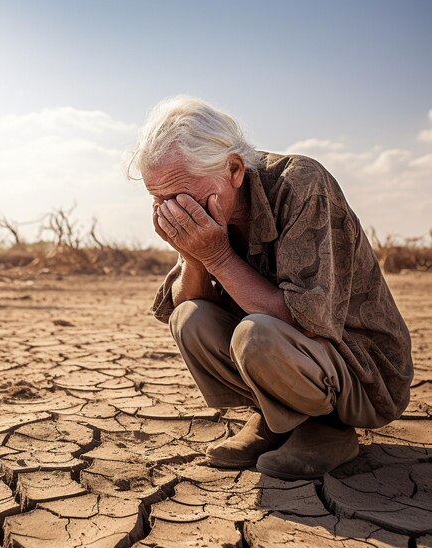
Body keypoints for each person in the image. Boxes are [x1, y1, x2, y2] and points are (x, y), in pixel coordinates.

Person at [129, 95, 413, 480]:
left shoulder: (300, 184)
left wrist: (217, 257)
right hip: (296, 357)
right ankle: (275, 418)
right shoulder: (207, 203)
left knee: (257, 333)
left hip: (361, 369)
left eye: (181, 197)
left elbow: (305, 322)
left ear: (233, 169)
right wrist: (193, 256)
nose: (172, 210)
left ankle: (328, 429)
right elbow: (184, 303)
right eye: (159, 199)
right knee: (189, 317)